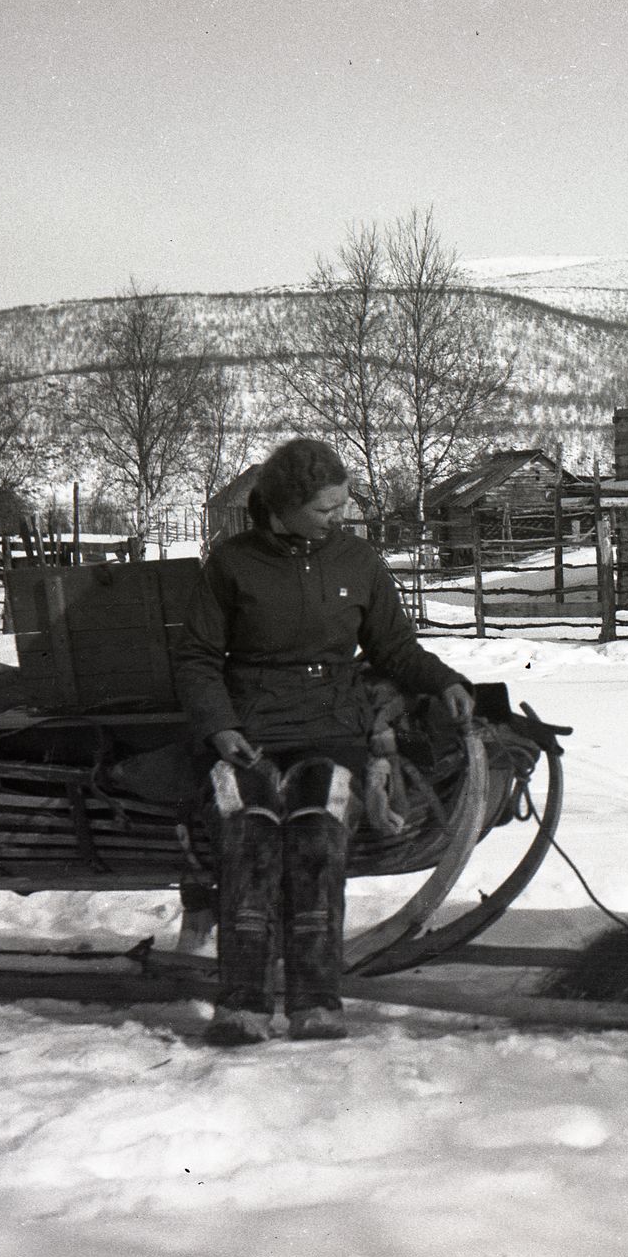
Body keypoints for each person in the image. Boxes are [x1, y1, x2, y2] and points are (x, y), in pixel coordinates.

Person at [172, 438, 474, 1045]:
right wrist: (220, 726)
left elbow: (394, 649)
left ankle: (316, 1002)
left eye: (342, 506)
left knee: (317, 829)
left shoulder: (357, 561)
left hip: (333, 733)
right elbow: (198, 658)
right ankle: (242, 1006)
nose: (339, 518)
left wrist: (444, 682)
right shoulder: (231, 564)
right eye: (325, 509)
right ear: (283, 506)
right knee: (248, 827)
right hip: (249, 737)